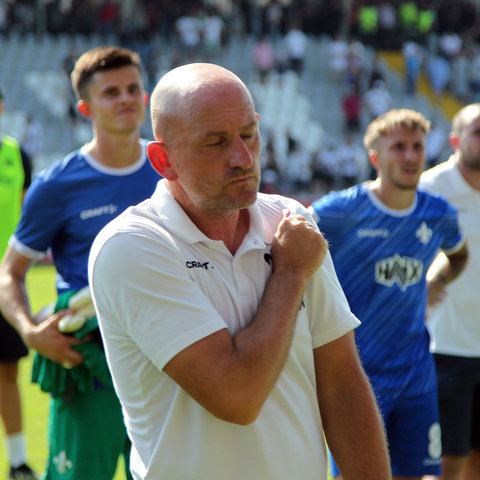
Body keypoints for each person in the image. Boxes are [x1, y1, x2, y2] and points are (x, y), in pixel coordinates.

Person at [87, 62, 391, 480]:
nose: (243, 158)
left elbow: (341, 382)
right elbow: (237, 396)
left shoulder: (290, 220)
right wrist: (288, 275)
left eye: (249, 134)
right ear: (163, 160)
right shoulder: (132, 246)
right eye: (215, 143)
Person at [0, 46, 159, 480]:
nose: (126, 98)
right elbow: (8, 274)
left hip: (170, 363)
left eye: (133, 88)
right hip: (88, 364)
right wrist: (32, 332)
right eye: (111, 92)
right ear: (85, 107)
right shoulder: (57, 185)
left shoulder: (174, 171)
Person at [308, 108, 469, 480]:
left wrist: (437, 282)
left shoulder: (438, 214)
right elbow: (286, 245)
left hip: (416, 373)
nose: (410, 156)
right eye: (398, 147)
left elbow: (459, 256)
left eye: (416, 146)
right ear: (375, 157)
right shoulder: (340, 212)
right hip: (353, 376)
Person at [419, 103, 480, 480]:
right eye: (477, 131)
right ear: (456, 140)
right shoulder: (432, 188)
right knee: (446, 462)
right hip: (446, 345)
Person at [0, 87, 37, 480]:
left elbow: (28, 219)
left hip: (3, 283)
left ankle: (17, 463)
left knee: (8, 371)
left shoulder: (16, 155)